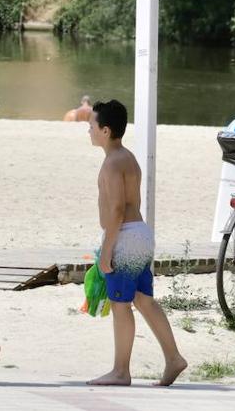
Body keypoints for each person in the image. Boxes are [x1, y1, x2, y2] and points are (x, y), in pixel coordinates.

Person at [86, 99, 187, 387]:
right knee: (143, 300)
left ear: (105, 130)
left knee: (121, 304)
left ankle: (120, 371)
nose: (88, 130)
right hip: (141, 233)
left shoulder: (111, 163)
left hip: (125, 237)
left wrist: (106, 251)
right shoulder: (127, 157)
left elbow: (117, 209)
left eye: (91, 125)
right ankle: (173, 358)